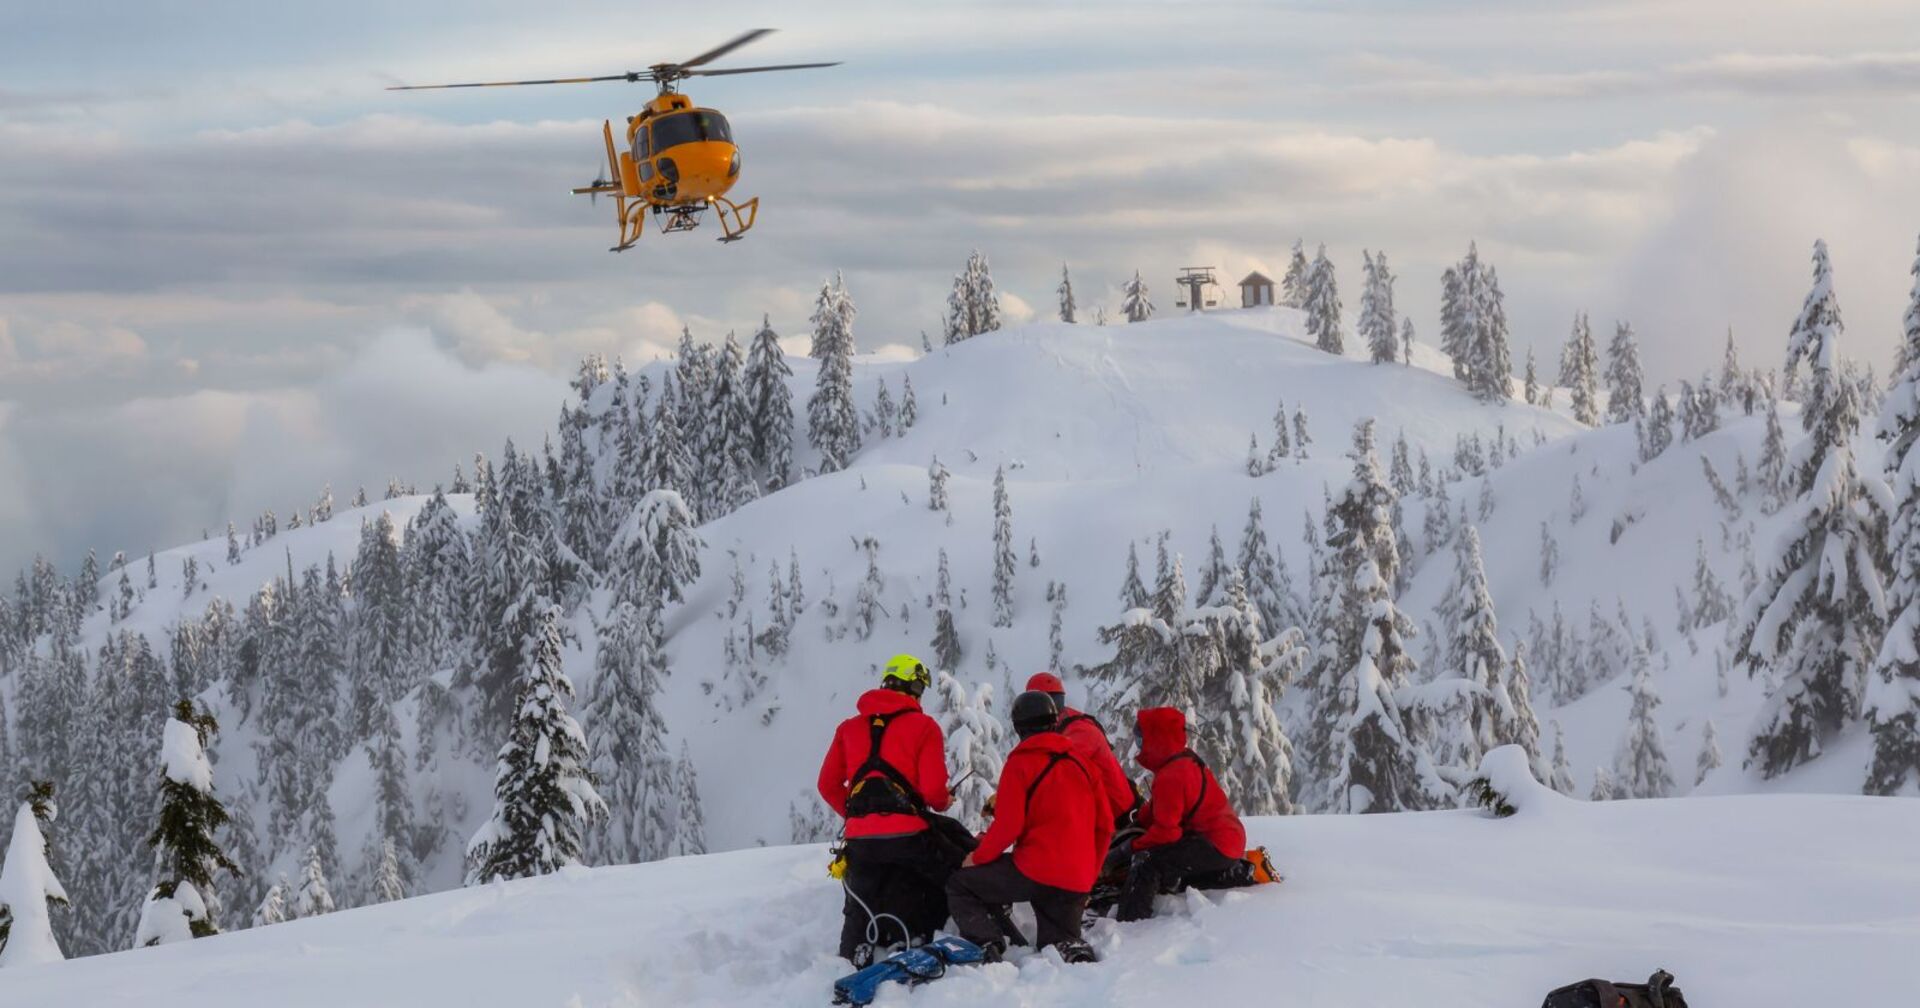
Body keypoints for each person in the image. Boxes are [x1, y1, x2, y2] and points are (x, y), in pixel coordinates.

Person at [946, 691, 1109, 964]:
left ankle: (988, 943)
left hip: (1035, 870)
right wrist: (1088, 877)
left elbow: (1009, 825)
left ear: (1018, 727)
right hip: (1076, 878)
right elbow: (1104, 826)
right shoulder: (1083, 764)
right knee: (1057, 946)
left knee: (961, 885)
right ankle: (1070, 950)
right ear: (1055, 722)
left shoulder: (1020, 763)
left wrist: (978, 857)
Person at [818, 654, 956, 964]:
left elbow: (827, 785)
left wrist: (861, 819)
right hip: (909, 835)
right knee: (948, 876)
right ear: (915, 687)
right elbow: (934, 793)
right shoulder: (924, 727)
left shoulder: (848, 728)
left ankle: (848, 958)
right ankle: (923, 936)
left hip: (859, 839)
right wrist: (945, 801)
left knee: (859, 902)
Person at [1114, 706, 1277, 922]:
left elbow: (1166, 834)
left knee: (1147, 862)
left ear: (1157, 739)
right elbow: (1161, 808)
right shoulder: (1180, 760)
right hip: (1224, 840)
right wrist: (1137, 825)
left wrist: (1127, 849)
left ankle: (1131, 922)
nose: (1139, 746)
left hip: (1215, 844)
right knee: (1172, 864)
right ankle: (1244, 870)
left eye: (1141, 740)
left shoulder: (1171, 775)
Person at [1026, 671, 1136, 825]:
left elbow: (1055, 771)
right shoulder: (1059, 726)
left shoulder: (1080, 731)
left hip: (1117, 818)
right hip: (1099, 817)